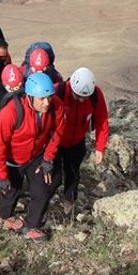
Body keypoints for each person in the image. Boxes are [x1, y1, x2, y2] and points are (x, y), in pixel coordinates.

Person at [0, 72, 64, 242]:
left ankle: (32, 225)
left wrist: (48, 158)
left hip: (36, 156)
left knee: (43, 189)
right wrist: (2, 176)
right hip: (12, 160)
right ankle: (6, 216)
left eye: (49, 97)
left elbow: (58, 132)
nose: (47, 102)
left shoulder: (56, 106)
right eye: (42, 99)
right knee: (9, 193)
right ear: (30, 96)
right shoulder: (10, 113)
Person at [54, 67, 110, 219]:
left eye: (85, 97)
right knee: (54, 177)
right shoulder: (58, 92)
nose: (82, 100)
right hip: (55, 143)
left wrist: (100, 147)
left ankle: (69, 207)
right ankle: (43, 204)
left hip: (77, 142)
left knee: (73, 176)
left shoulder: (95, 96)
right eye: (78, 96)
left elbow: (102, 120)